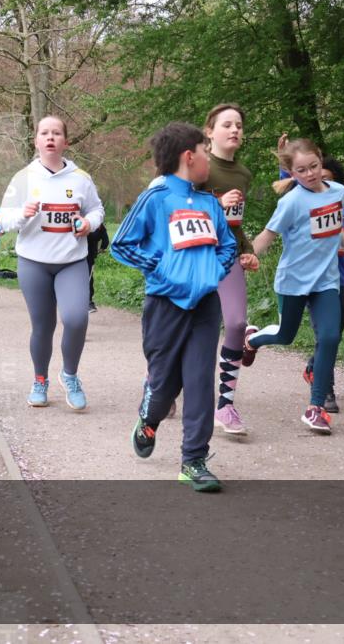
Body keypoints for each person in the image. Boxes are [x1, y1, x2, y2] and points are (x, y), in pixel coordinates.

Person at [111, 122, 237, 492]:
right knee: (165, 384)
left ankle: (193, 460)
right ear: (188, 156)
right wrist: (161, 266)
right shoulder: (157, 197)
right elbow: (122, 243)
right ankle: (148, 420)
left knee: (199, 381)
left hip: (204, 307)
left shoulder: (209, 204)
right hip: (165, 305)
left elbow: (227, 245)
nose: (208, 160)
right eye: (204, 151)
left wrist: (214, 269)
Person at [244, 139, 344, 433]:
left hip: (325, 281)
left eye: (314, 166)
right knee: (285, 336)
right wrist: (249, 254)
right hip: (293, 281)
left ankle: (315, 408)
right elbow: (268, 235)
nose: (311, 174)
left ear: (321, 161)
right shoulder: (291, 202)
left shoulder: (338, 191)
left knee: (329, 338)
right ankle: (252, 341)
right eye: (302, 170)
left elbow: (335, 224)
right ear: (291, 172)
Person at [0, 115, 104, 411]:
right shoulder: (23, 178)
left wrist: (88, 223)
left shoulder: (81, 177)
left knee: (76, 319)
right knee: (42, 326)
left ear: (65, 142)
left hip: (71, 261)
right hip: (34, 262)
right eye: (44, 133)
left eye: (57, 133)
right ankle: (40, 379)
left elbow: (97, 209)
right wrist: (22, 214)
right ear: (36, 141)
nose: (50, 137)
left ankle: (69, 375)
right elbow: (2, 219)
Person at [198, 104, 260, 436]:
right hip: (192, 257)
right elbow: (179, 208)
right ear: (210, 132)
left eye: (239, 125)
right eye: (227, 124)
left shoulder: (243, 174)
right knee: (186, 326)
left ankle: (225, 404)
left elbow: (234, 225)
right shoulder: (197, 166)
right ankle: (160, 383)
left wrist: (247, 251)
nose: (234, 130)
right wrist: (215, 204)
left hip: (226, 256)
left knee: (236, 323)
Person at [299, 155, 344, 413]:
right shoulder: (304, 206)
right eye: (318, 178)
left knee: (334, 335)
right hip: (315, 281)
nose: (321, 183)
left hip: (341, 279)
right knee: (325, 335)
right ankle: (326, 392)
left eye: (328, 180)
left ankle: (314, 367)